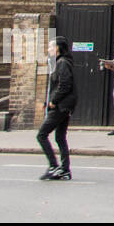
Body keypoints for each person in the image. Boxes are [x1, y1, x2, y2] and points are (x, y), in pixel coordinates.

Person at [37, 37, 76, 180]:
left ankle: (54, 166)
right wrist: (47, 102)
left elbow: (65, 84)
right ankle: (65, 170)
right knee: (60, 137)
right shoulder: (61, 62)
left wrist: (53, 101)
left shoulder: (62, 63)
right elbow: (55, 86)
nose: (48, 50)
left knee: (41, 135)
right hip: (63, 105)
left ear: (58, 48)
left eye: (51, 47)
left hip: (61, 106)